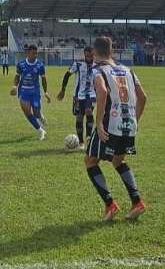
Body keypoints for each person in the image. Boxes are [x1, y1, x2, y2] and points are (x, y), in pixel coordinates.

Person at [85, 37, 147, 222]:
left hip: (109, 123)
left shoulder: (97, 70)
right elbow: (143, 97)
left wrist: (98, 123)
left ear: (94, 53)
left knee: (90, 161)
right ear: (112, 51)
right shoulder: (128, 70)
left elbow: (102, 92)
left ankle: (110, 204)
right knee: (118, 160)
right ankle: (137, 202)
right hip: (128, 124)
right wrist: (134, 119)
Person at [57, 47, 96, 150]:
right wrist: (63, 90)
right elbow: (67, 75)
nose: (89, 58)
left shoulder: (98, 65)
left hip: (91, 95)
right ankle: (81, 142)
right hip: (78, 95)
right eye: (87, 56)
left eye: (91, 56)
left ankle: (88, 138)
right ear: (84, 55)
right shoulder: (78, 64)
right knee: (79, 117)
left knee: (88, 111)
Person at [10, 45, 51, 140]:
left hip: (35, 91)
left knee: (36, 113)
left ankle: (40, 116)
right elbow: (17, 76)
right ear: (28, 53)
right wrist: (14, 86)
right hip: (24, 91)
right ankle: (40, 130)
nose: (35, 55)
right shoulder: (21, 64)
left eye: (36, 53)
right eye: (33, 53)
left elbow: (43, 79)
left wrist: (45, 92)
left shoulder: (40, 65)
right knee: (27, 112)